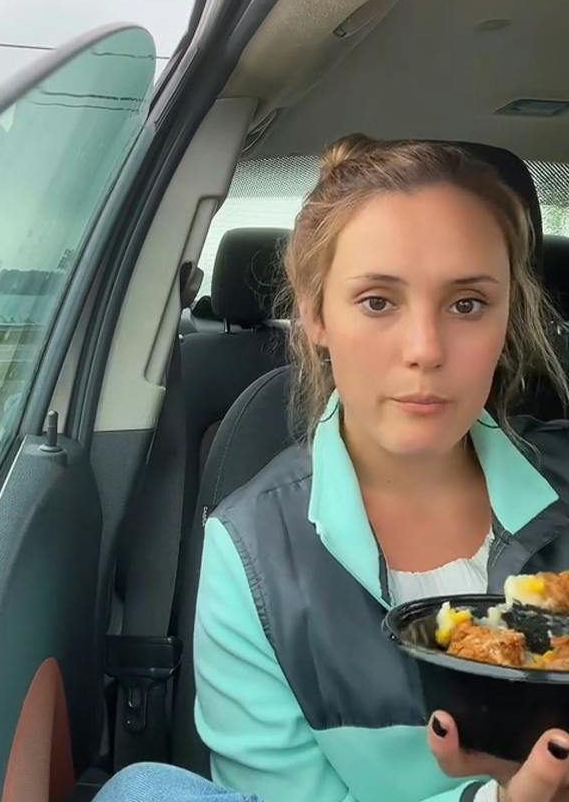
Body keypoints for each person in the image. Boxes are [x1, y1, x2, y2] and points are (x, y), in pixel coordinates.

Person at [188, 135, 569, 801]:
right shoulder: (249, 552)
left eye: (468, 304)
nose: (425, 350)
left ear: (508, 317)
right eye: (378, 302)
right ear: (315, 315)